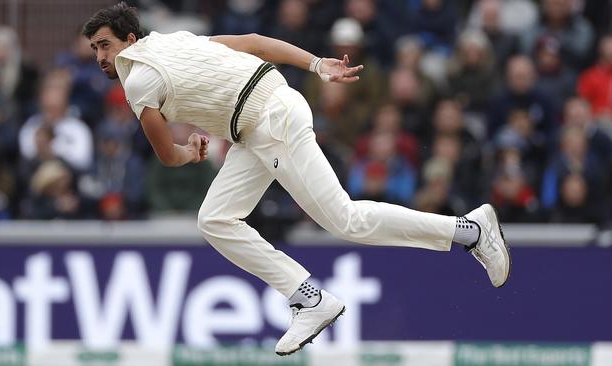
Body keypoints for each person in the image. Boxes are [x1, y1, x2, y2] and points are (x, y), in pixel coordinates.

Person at [83, 2, 511, 356]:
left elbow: (165, 154)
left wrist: (189, 153)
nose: (101, 57)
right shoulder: (173, 41)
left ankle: (470, 230)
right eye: (95, 48)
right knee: (214, 219)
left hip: (269, 122)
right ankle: (311, 298)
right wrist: (313, 63)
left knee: (347, 220)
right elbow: (252, 44)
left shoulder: (137, 77)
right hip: (261, 120)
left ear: (130, 42)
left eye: (106, 45)